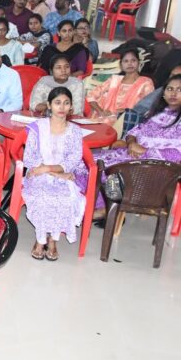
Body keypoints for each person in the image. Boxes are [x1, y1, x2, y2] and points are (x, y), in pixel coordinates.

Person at [89, 74, 181, 214]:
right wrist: (131, 143)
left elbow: (176, 154)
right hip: (132, 156)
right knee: (88, 161)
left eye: (179, 89)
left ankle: (107, 208)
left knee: (107, 173)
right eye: (169, 89)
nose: (173, 93)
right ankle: (96, 205)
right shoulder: (157, 113)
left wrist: (144, 151)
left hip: (154, 168)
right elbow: (135, 131)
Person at [20, 86, 88, 261]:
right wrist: (47, 171)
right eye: (57, 103)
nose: (62, 107)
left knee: (64, 197)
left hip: (63, 175)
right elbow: (29, 157)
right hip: (38, 174)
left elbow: (74, 159)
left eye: (66, 103)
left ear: (71, 107)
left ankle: (53, 240)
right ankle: (40, 240)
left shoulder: (74, 130)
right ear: (49, 105)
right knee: (43, 196)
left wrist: (50, 170)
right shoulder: (37, 127)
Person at [86, 47, 154, 126]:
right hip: (106, 118)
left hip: (129, 121)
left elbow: (147, 107)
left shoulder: (146, 82)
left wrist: (123, 112)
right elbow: (91, 96)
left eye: (133, 60)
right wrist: (101, 111)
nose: (130, 63)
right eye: (126, 61)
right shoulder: (114, 80)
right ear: (121, 65)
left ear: (138, 63)